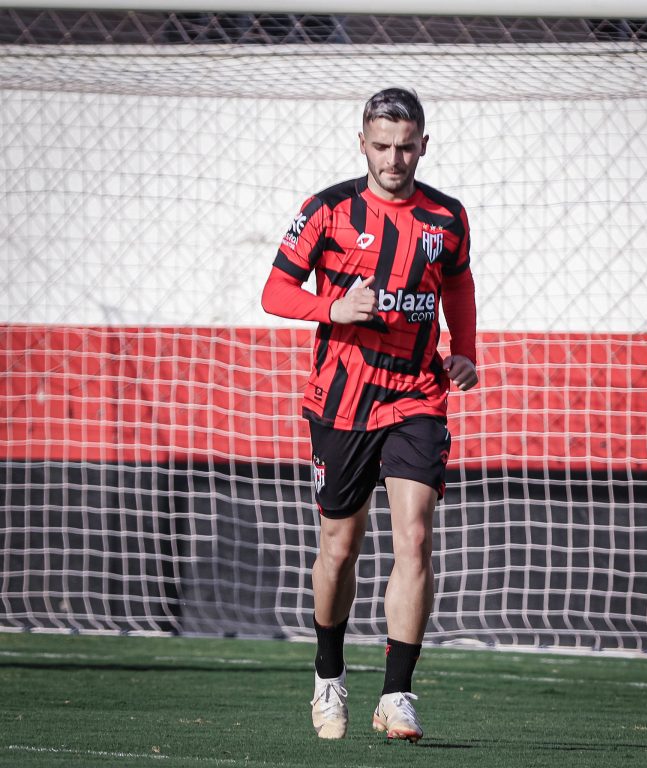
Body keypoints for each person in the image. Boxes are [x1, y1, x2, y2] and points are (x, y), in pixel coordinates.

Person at [261, 87, 478, 743]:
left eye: (406, 146)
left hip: (417, 394)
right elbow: (274, 290)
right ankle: (329, 676)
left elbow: (459, 284)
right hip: (342, 401)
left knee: (414, 537)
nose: (394, 158)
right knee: (341, 546)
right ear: (363, 142)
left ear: (424, 146)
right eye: (382, 146)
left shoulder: (446, 216)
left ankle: (398, 696)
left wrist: (464, 351)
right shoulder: (327, 211)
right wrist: (332, 309)